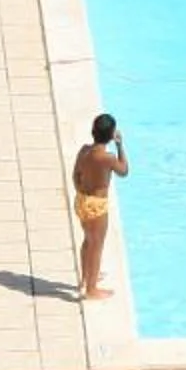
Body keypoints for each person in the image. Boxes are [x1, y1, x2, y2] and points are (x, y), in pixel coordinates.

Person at [72, 113, 127, 301]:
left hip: (81, 201)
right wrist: (120, 146)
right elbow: (124, 171)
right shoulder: (108, 158)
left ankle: (86, 277)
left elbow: (75, 175)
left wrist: (81, 192)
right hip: (97, 205)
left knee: (87, 241)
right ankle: (92, 289)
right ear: (112, 135)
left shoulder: (84, 151)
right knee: (96, 246)